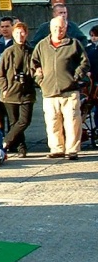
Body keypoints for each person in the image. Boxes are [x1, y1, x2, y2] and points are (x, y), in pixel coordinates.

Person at [30, 16, 90, 160]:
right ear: (50, 28)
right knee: (52, 122)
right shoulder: (42, 45)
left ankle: (72, 150)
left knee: (72, 121)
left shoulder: (74, 44)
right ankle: (56, 148)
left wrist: (75, 77)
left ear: (66, 28)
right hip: (49, 91)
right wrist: (40, 80)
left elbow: (84, 63)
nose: (59, 30)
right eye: (56, 27)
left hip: (70, 90)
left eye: (61, 27)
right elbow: (34, 64)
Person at [0, 21, 35, 158]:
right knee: (14, 122)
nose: (20, 35)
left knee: (24, 121)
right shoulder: (8, 52)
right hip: (10, 92)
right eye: (17, 33)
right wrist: (4, 88)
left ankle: (6, 141)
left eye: (22, 32)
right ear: (13, 34)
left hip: (27, 92)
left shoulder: (32, 51)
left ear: (26, 33)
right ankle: (21, 147)